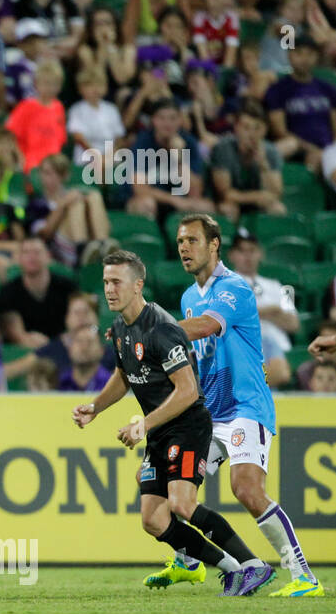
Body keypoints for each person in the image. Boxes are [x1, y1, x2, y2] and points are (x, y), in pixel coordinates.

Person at [71, 250, 266, 595]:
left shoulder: (161, 328)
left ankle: (254, 564)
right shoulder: (119, 328)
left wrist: (143, 425)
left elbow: (188, 391)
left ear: (137, 285)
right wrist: (95, 407)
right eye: (105, 282)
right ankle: (229, 567)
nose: (109, 290)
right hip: (161, 429)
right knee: (153, 518)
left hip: (188, 425)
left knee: (181, 503)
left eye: (116, 282)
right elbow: (124, 375)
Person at [172, 214, 322, 596]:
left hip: (245, 406)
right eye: (180, 242)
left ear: (214, 245)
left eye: (192, 239)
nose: (184, 247)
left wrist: (149, 327)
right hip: (211, 411)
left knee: (247, 490)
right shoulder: (189, 297)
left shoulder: (234, 288)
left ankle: (304, 575)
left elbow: (206, 327)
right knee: (168, 484)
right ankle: (194, 562)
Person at [224, 232, 297, 387]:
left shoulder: (281, 286)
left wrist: (259, 313)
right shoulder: (223, 285)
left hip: (279, 348)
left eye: (252, 250)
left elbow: (294, 323)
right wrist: (273, 311)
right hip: (245, 346)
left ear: (260, 253)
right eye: (242, 251)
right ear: (232, 255)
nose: (247, 256)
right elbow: (230, 317)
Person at [263, 35, 336, 170]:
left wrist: (330, 151)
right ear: (290, 55)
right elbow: (279, 131)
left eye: (310, 54)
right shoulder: (278, 90)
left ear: (317, 57)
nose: (305, 59)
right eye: (299, 53)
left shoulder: (328, 89)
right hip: (298, 150)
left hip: (329, 150)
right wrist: (310, 149)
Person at [26, 154, 111, 268]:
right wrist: (63, 205)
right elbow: (43, 234)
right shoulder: (37, 203)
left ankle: (103, 247)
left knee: (94, 196)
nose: (47, 178)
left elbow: (107, 225)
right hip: (60, 249)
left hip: (90, 240)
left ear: (64, 176)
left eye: (53, 173)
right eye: (44, 172)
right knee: (76, 204)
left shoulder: (71, 195)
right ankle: (82, 251)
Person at [208, 100, 286, 218]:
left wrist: (263, 165)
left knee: (278, 209)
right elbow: (225, 194)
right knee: (228, 209)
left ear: (264, 130)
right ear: (236, 128)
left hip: (256, 203)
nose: (251, 134)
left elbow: (276, 193)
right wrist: (257, 196)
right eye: (246, 127)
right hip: (231, 202)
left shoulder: (270, 151)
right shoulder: (223, 148)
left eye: (257, 128)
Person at [0, 236, 79, 347]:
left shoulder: (67, 287)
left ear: (48, 256)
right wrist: (30, 341)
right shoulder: (8, 291)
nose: (32, 257)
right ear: (19, 258)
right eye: (26, 252)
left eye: (37, 252)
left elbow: (77, 322)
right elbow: (16, 333)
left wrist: (56, 344)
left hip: (64, 347)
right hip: (25, 350)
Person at [5, 60, 66, 172]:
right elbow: (9, 136)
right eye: (46, 83)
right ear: (36, 84)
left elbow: (60, 138)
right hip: (32, 163)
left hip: (55, 163)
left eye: (55, 84)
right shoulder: (26, 106)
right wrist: (20, 159)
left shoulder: (59, 107)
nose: (50, 88)